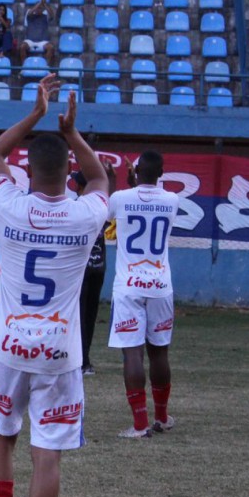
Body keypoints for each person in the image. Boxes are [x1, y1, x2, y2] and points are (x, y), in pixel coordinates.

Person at [0, 76, 108, 497]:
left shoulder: (8, 205)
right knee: (46, 450)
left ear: (26, 171)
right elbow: (100, 182)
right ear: (67, 171)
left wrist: (34, 115)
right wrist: (72, 133)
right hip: (58, 350)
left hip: (8, 344)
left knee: (1, 437)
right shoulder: (82, 215)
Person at [108, 152, 179, 439]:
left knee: (132, 352)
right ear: (161, 172)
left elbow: (112, 213)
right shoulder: (172, 200)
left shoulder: (121, 198)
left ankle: (140, 425)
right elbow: (150, 198)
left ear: (135, 171)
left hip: (128, 285)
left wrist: (122, 182)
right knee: (159, 351)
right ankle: (161, 417)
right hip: (161, 284)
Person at [72, 169, 111, 376]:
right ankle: (86, 361)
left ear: (80, 186)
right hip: (99, 267)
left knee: (79, 316)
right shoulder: (100, 207)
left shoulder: (77, 206)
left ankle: (82, 361)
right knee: (90, 314)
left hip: (81, 269)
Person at [20, 0, 55, 65]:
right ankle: (23, 67)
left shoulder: (45, 17)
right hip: (30, 40)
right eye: (37, 8)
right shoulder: (29, 16)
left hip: (43, 41)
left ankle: (46, 67)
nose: (38, 9)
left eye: (40, 8)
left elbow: (52, 15)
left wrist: (44, 4)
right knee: (22, 47)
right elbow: (31, 11)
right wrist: (39, 3)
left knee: (50, 47)